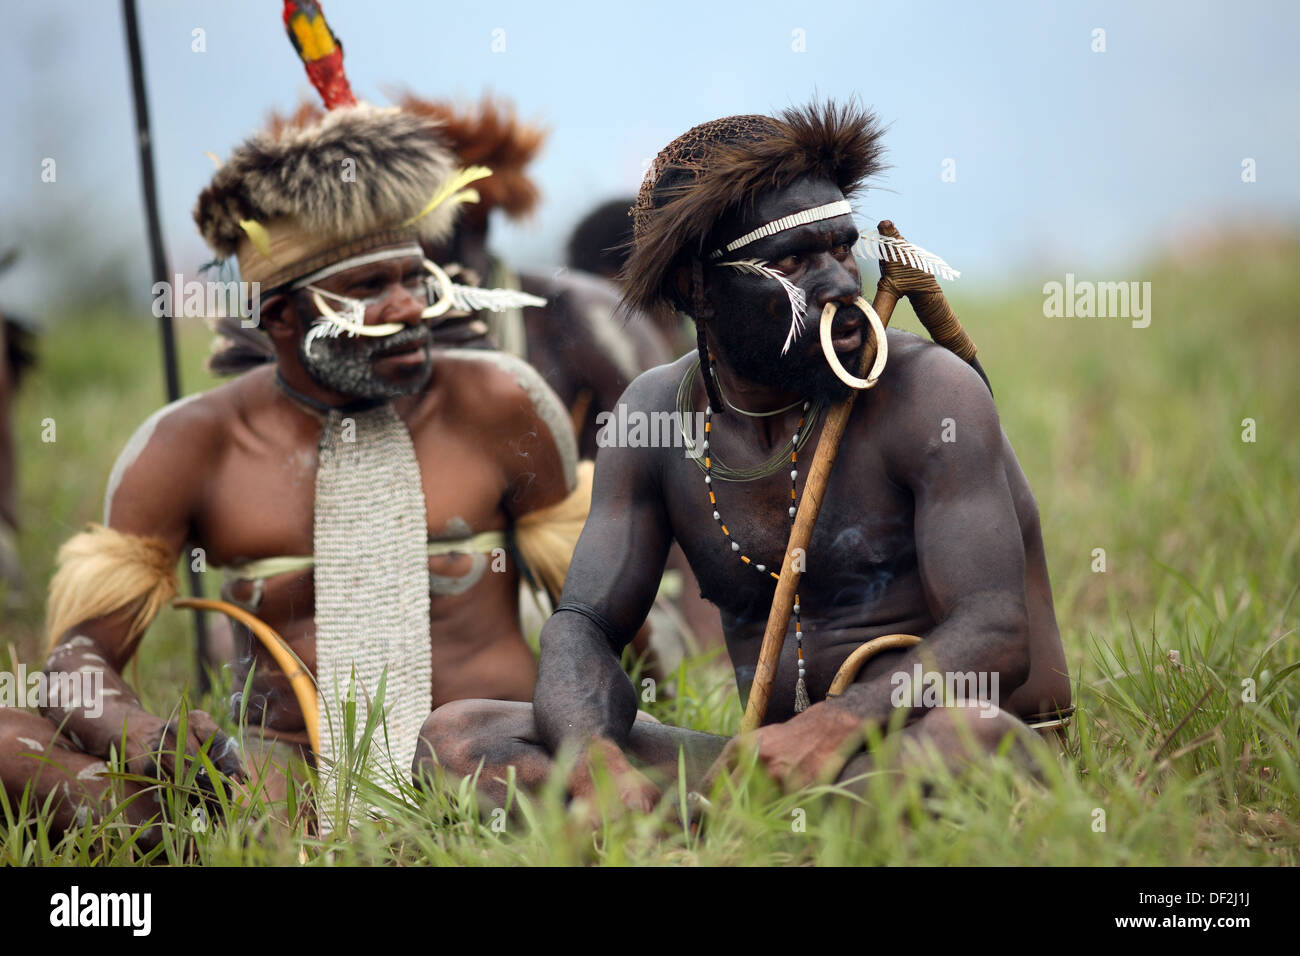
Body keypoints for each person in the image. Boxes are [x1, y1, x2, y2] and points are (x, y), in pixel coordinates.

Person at [415, 102, 1072, 808]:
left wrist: (834, 725)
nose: (839, 285)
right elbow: (583, 628)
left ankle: (714, 834)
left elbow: (996, 634)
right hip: (775, 773)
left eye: (841, 249)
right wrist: (592, 764)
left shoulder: (928, 393)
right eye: (793, 261)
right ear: (693, 287)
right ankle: (680, 829)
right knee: (458, 737)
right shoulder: (655, 416)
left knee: (965, 737)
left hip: (937, 745)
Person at [0, 101, 587, 839]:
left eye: (415, 277)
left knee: (475, 747)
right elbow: (76, 663)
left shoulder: (501, 403)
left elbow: (595, 615)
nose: (409, 308)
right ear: (281, 317)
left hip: (484, 771)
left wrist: (616, 744)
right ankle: (227, 841)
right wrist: (145, 736)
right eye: (370, 288)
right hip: (274, 798)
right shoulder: (189, 445)